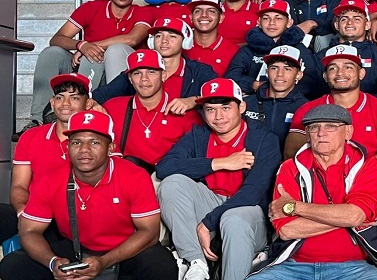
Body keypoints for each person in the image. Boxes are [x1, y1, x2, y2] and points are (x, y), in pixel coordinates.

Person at [0, 111, 178, 280]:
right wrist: (52, 262)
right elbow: (30, 231)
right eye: (76, 142)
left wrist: (104, 262)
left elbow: (149, 232)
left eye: (94, 142)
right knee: (14, 265)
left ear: (110, 148)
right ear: (68, 146)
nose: (84, 149)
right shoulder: (51, 179)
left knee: (161, 264)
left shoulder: (134, 176)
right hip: (75, 249)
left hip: (123, 251)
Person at [247, 104, 377, 280]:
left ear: (348, 132)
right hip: (293, 265)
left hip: (355, 268)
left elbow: (354, 215)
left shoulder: (367, 166)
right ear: (307, 134)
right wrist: (349, 217)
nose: (321, 133)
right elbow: (288, 230)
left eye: (331, 126)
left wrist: (294, 207)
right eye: (314, 127)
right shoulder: (290, 168)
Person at [156, 78, 281, 280]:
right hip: (210, 201)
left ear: (241, 107)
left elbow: (252, 193)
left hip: (247, 212)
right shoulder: (199, 134)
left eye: (225, 107)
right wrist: (219, 162)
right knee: (171, 184)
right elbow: (164, 167)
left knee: (233, 220)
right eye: (210, 109)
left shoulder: (263, 139)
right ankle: (195, 262)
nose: (218, 116)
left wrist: (207, 223)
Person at [13, 0, 153, 141]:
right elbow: (57, 38)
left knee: (103, 52)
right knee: (52, 53)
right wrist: (81, 44)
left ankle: (92, 115)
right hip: (87, 69)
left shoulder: (144, 12)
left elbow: (132, 39)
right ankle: (38, 119)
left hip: (117, 74)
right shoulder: (91, 7)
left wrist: (88, 47)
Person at [0, 74, 93, 244]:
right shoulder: (30, 137)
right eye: (60, 97)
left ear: (87, 104)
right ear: (52, 103)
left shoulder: (96, 140)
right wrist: (24, 213)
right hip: (36, 212)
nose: (65, 104)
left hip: (78, 218)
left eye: (74, 98)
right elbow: (19, 185)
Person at [286, 45, 377, 169]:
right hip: (318, 174)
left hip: (366, 175)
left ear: (361, 73)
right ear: (325, 76)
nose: (340, 73)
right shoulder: (307, 110)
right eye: (333, 68)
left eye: (348, 67)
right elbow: (291, 151)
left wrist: (354, 172)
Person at [103, 49, 202, 171]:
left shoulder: (183, 112)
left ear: (164, 75)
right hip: (126, 178)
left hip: (166, 179)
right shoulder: (113, 107)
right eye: (137, 73)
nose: (144, 78)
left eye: (151, 72)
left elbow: (195, 158)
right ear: (130, 78)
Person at [92, 18, 217, 111]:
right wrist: (95, 105)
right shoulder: (138, 71)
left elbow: (220, 97)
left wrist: (193, 100)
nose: (164, 41)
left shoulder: (200, 71)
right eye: (158, 36)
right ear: (152, 42)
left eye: (172, 36)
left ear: (185, 42)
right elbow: (101, 95)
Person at [224, 0, 323, 99]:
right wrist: (253, 85)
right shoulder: (248, 50)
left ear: (289, 23)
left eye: (278, 18)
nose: (272, 23)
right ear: (259, 22)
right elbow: (231, 77)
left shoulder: (300, 50)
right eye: (266, 18)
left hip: (291, 102)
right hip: (256, 102)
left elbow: (313, 82)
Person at [318, 0, 377, 101]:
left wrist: (359, 104)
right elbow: (312, 91)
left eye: (357, 19)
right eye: (344, 19)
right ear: (336, 25)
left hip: (370, 111)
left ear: (367, 25)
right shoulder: (320, 57)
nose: (350, 23)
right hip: (328, 112)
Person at [244, 45, 309, 152]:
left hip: (286, 165)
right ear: (267, 72)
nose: (279, 74)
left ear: (298, 75)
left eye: (287, 69)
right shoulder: (246, 103)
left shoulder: (306, 108)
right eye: (274, 68)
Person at [184, 0, 240, 77]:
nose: (204, 15)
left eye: (211, 11)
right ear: (191, 17)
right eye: (198, 11)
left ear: (221, 18)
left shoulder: (234, 51)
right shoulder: (179, 47)